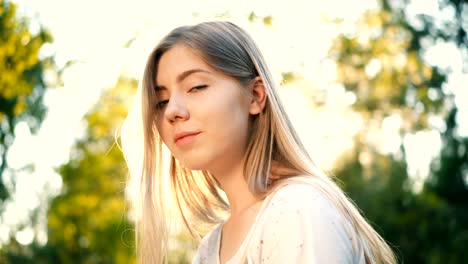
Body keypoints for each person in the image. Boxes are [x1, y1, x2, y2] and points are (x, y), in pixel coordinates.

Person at [121, 21, 397, 264]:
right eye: (162, 101)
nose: (172, 111)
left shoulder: (296, 210)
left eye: (196, 87)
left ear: (255, 96)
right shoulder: (209, 250)